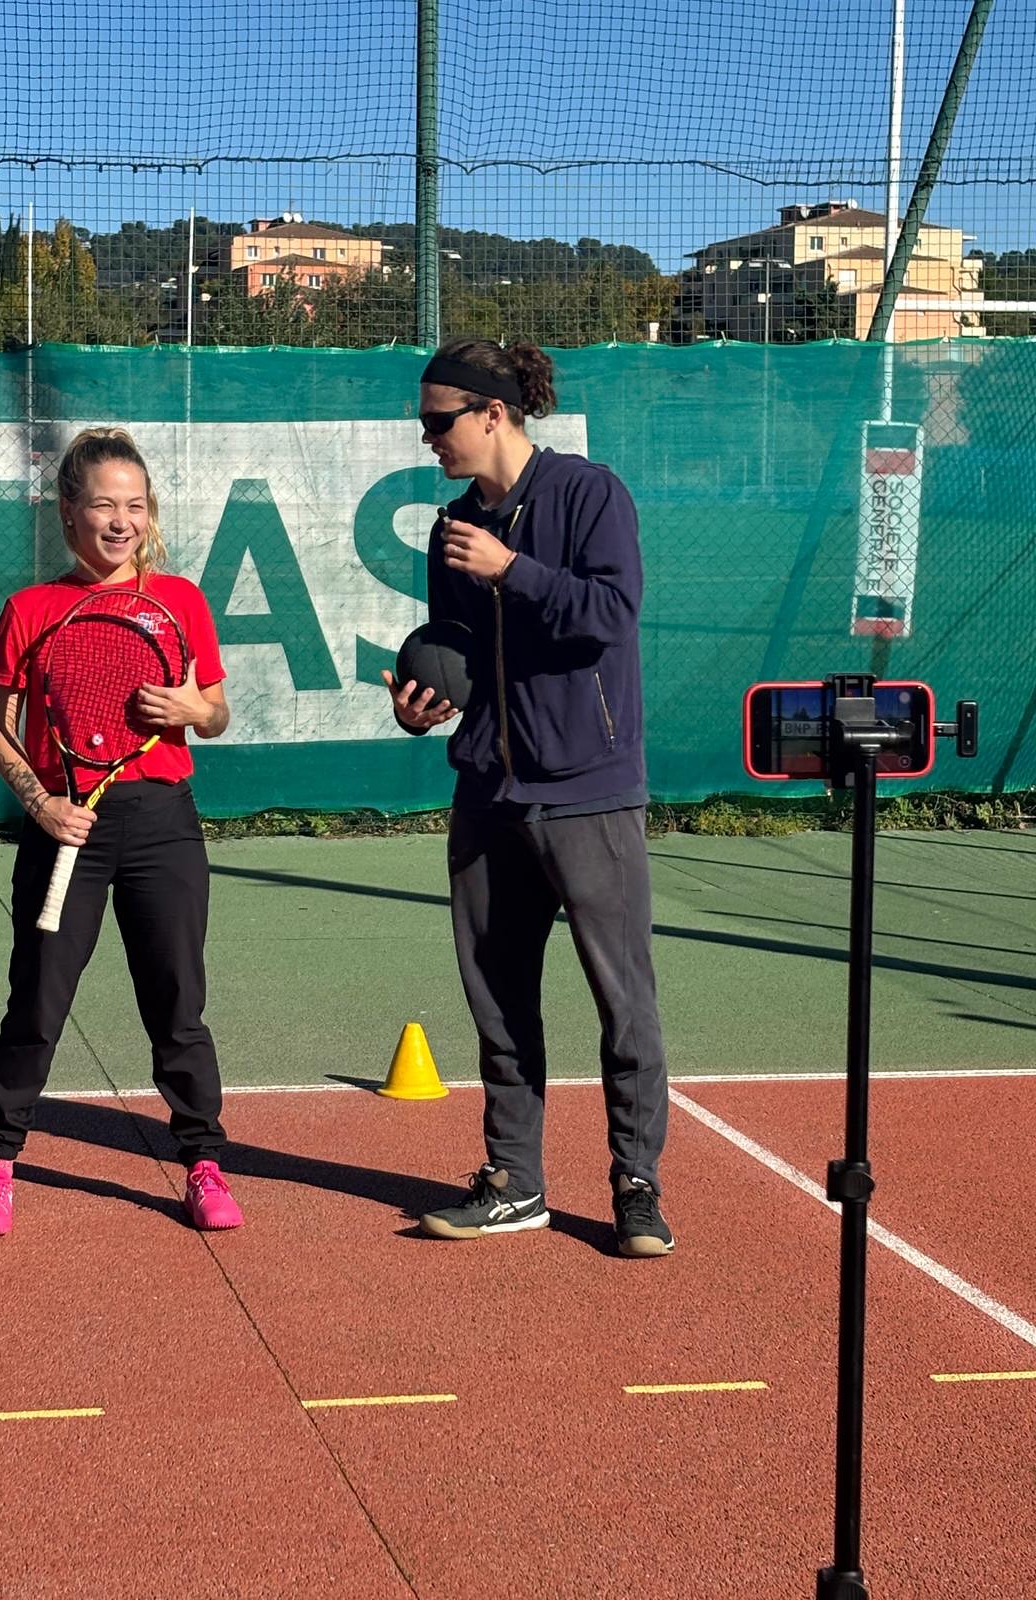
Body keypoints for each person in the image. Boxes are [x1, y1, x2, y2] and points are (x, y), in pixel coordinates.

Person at [383, 337, 673, 1257]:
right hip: (488, 792)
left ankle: (635, 1183)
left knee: (622, 1001)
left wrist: (514, 570)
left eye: (441, 422)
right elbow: (457, 657)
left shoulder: (591, 494)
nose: (429, 438)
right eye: (424, 425)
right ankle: (515, 1181)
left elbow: (612, 617)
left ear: (494, 413)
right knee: (499, 998)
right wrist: (422, 709)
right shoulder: (447, 529)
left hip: (589, 790)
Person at [0, 427, 242, 1238]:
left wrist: (196, 711)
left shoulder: (180, 600)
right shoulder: (30, 609)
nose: (121, 521)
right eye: (104, 505)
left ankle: (203, 1162)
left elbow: (214, 713)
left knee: (178, 1004)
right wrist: (39, 804)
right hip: (62, 827)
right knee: (37, 1004)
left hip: (163, 825)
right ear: (69, 512)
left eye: (135, 504)